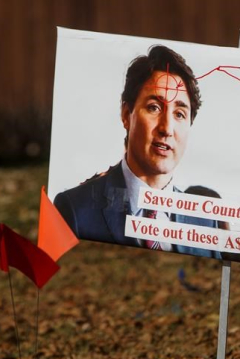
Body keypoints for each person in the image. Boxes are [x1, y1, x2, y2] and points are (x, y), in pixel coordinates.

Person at [54, 45, 220, 258]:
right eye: (154, 108)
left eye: (179, 114)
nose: (167, 128)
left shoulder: (205, 220)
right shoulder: (75, 209)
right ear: (126, 115)